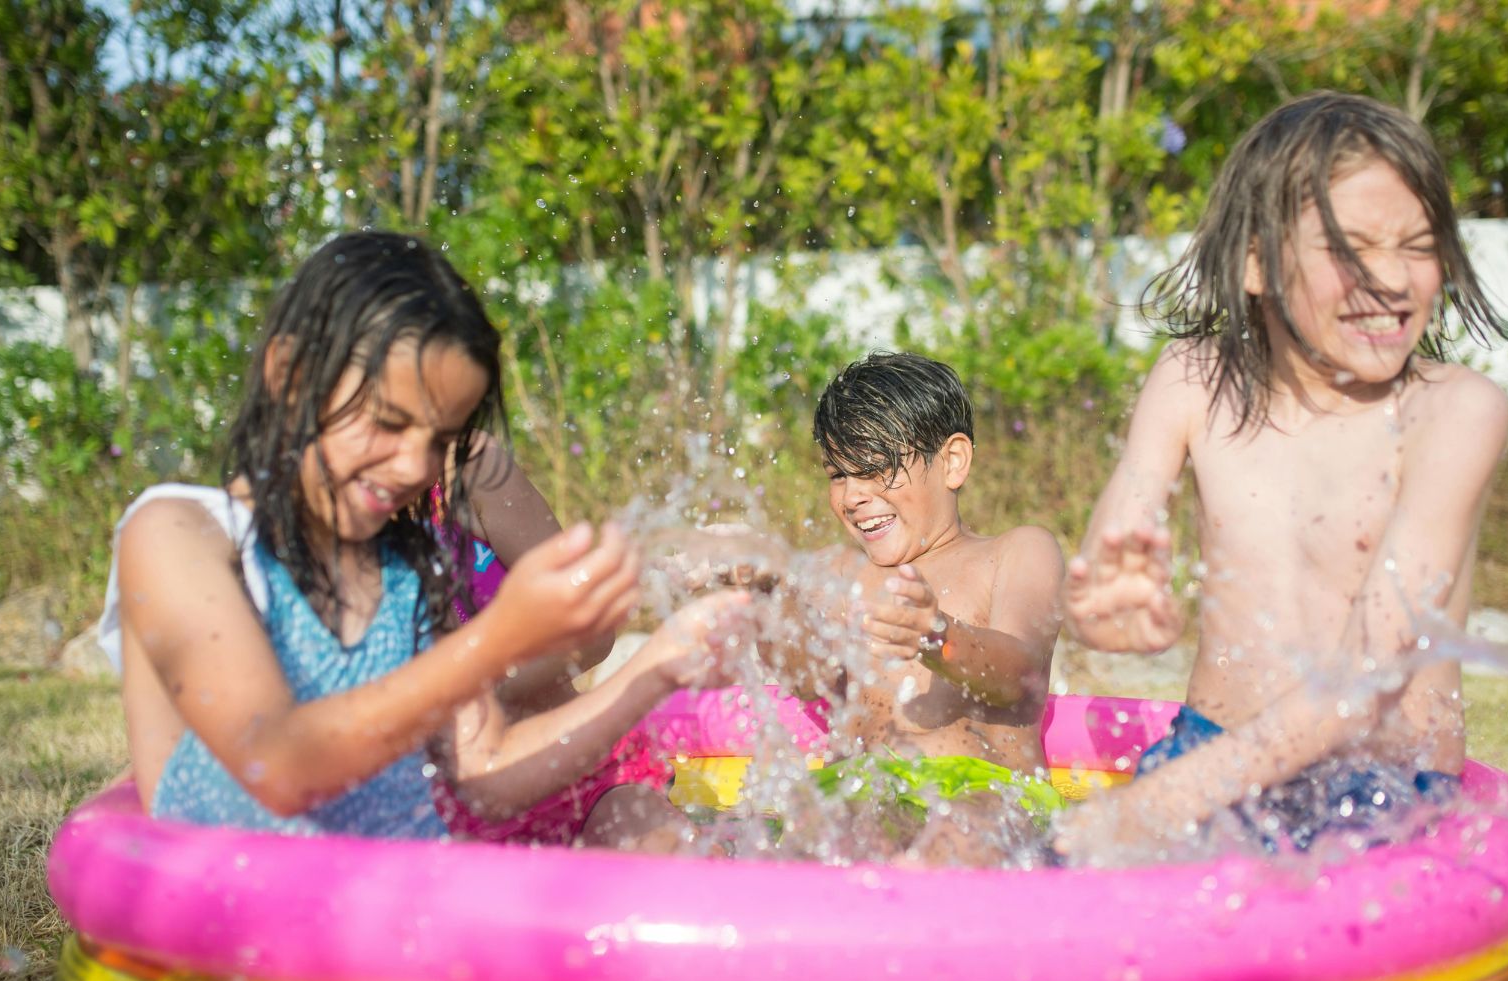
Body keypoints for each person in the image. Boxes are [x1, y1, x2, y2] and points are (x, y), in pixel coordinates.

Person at [100, 231, 747, 838]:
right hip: (234, 929)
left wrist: (654, 667)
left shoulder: (401, 569)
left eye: (440, 439)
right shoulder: (181, 534)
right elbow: (278, 765)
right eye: (387, 421)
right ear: (291, 375)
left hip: (395, 912)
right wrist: (498, 638)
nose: (416, 465)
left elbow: (484, 773)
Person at [1057, 92, 1508, 860]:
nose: (1393, 280)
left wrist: (1160, 801)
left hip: (1381, 786)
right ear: (1257, 261)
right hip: (1208, 744)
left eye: (1418, 243)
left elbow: (1374, 667)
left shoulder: (1454, 413)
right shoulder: (1192, 379)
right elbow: (1117, 538)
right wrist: (1108, 611)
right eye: (1352, 248)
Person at [773, 352, 1066, 864]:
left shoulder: (1015, 553)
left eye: (875, 470)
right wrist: (768, 596)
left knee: (963, 838)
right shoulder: (838, 575)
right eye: (838, 474)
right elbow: (803, 678)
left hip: (987, 792)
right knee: (818, 832)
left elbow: (1020, 672)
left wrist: (939, 637)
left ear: (952, 461)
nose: (853, 496)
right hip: (865, 790)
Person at [425, 444, 699, 850]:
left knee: (679, 876)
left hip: (578, 777)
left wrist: (470, 700)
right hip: (435, 816)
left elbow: (590, 628)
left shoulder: (469, 470)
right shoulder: (324, 534)